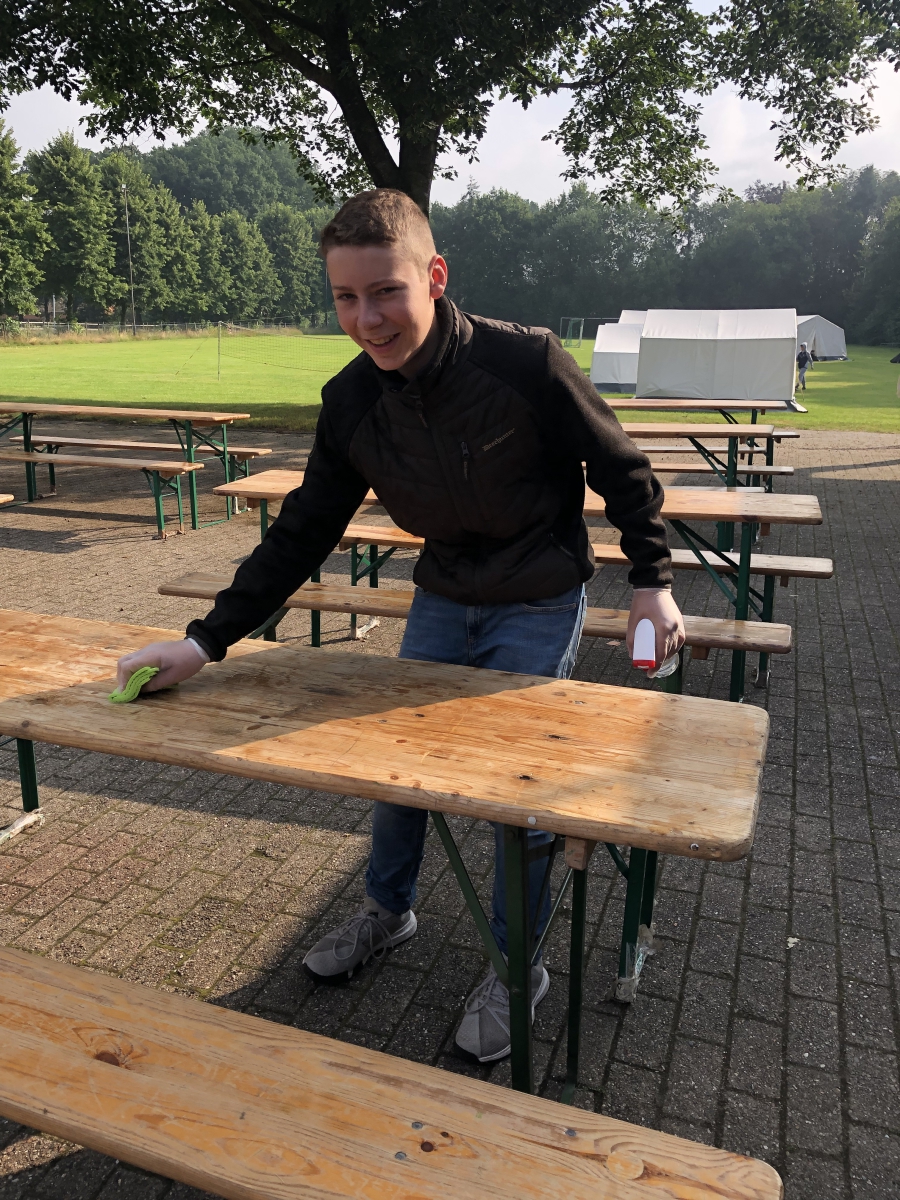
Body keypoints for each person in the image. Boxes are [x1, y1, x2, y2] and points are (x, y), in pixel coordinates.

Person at [115, 189, 684, 1064]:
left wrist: (651, 582)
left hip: (539, 594)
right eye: (346, 297)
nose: (367, 318)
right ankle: (388, 913)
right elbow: (302, 530)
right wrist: (203, 641)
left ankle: (515, 968)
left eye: (385, 291)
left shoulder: (526, 360)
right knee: (396, 771)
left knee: (519, 792)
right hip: (444, 593)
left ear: (434, 277)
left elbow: (624, 470)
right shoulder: (350, 401)